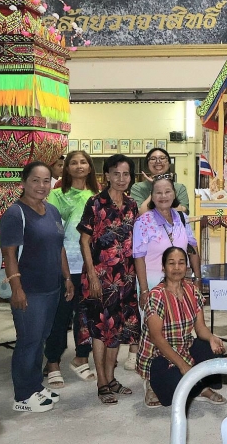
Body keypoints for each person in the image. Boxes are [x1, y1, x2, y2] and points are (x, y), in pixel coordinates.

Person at [0, 161, 73, 412]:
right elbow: (9, 254)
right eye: (35, 180)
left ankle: (34, 387)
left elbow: (59, 247)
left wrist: (66, 278)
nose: (41, 186)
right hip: (29, 289)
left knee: (40, 339)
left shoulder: (52, 211)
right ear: (23, 183)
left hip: (52, 287)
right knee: (28, 341)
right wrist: (17, 289)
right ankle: (22, 396)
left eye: (46, 181)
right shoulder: (15, 213)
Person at [133, 174, 202, 406]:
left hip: (179, 281)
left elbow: (192, 249)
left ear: (174, 194)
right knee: (153, 336)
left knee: (179, 330)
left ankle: (177, 370)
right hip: (152, 283)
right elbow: (138, 257)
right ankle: (149, 383)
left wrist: (196, 277)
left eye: (167, 192)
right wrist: (144, 290)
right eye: (158, 192)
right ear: (152, 197)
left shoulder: (182, 217)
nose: (163, 196)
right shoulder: (143, 221)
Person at [77, 154, 141, 405]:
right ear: (107, 176)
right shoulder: (95, 203)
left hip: (125, 278)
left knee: (117, 329)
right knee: (100, 329)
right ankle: (101, 381)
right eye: (116, 174)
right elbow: (84, 241)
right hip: (100, 277)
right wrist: (92, 275)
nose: (121, 179)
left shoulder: (132, 205)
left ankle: (112, 378)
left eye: (126, 174)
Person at [136, 247, 226, 407]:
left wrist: (212, 338)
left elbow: (200, 328)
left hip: (183, 347)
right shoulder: (156, 296)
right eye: (171, 263)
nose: (176, 268)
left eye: (181, 263)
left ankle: (197, 386)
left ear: (187, 267)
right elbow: (156, 338)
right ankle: (152, 382)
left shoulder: (193, 291)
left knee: (212, 354)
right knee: (171, 396)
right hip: (158, 355)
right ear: (163, 267)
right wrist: (182, 365)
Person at [44, 151, 99, 388]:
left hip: (90, 266)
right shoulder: (56, 195)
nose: (79, 166)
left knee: (85, 316)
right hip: (64, 264)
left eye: (83, 162)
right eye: (73, 163)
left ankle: (81, 358)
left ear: (90, 167)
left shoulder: (97, 196)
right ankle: (53, 362)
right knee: (60, 316)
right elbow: (53, 234)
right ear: (66, 168)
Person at [130, 147, 190, 215]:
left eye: (162, 158)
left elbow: (182, 212)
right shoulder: (138, 188)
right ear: (147, 164)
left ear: (169, 164)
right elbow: (141, 213)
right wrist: (155, 185)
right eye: (153, 159)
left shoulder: (179, 188)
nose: (158, 161)